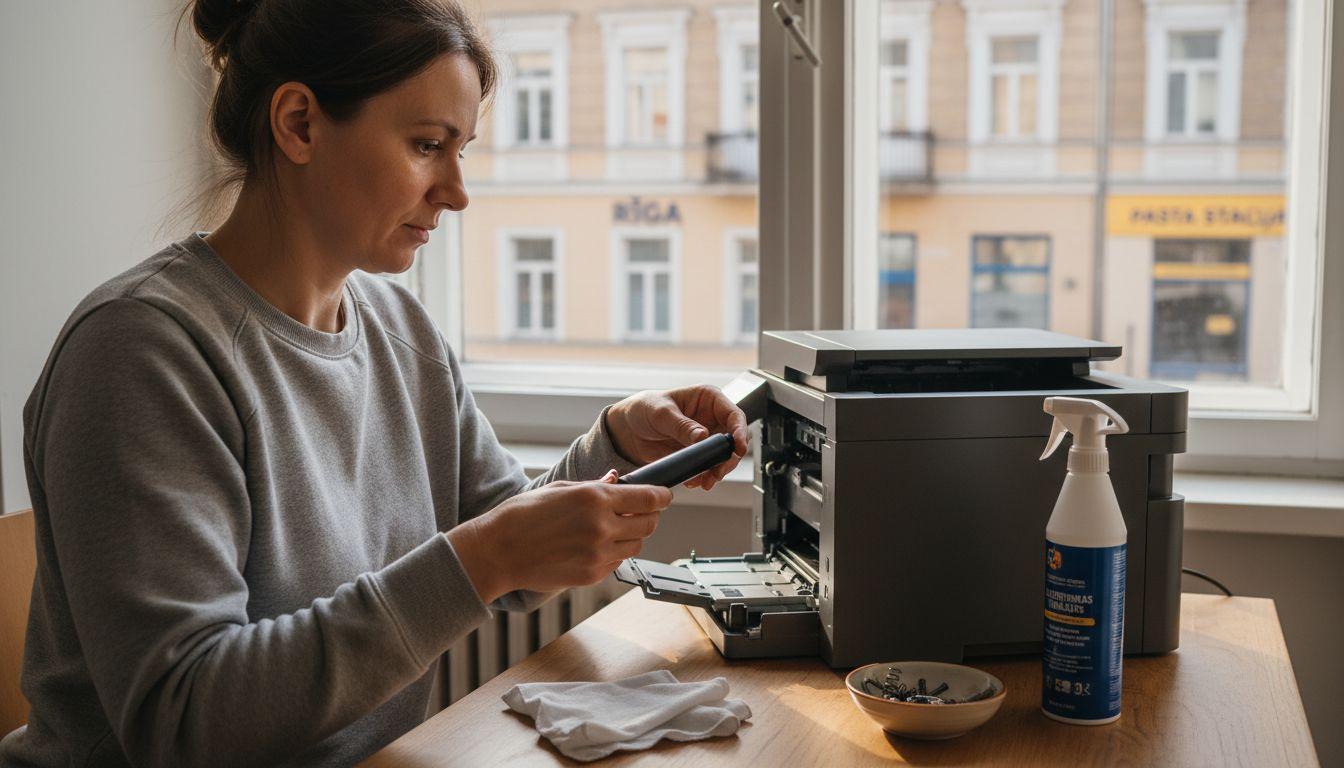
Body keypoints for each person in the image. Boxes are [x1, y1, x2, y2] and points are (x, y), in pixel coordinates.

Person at [0, 1, 749, 765]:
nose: (456, 192)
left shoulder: (400, 329)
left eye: (462, 151)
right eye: (428, 145)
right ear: (298, 123)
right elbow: (185, 724)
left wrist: (615, 440)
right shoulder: (142, 353)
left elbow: (508, 549)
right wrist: (482, 558)